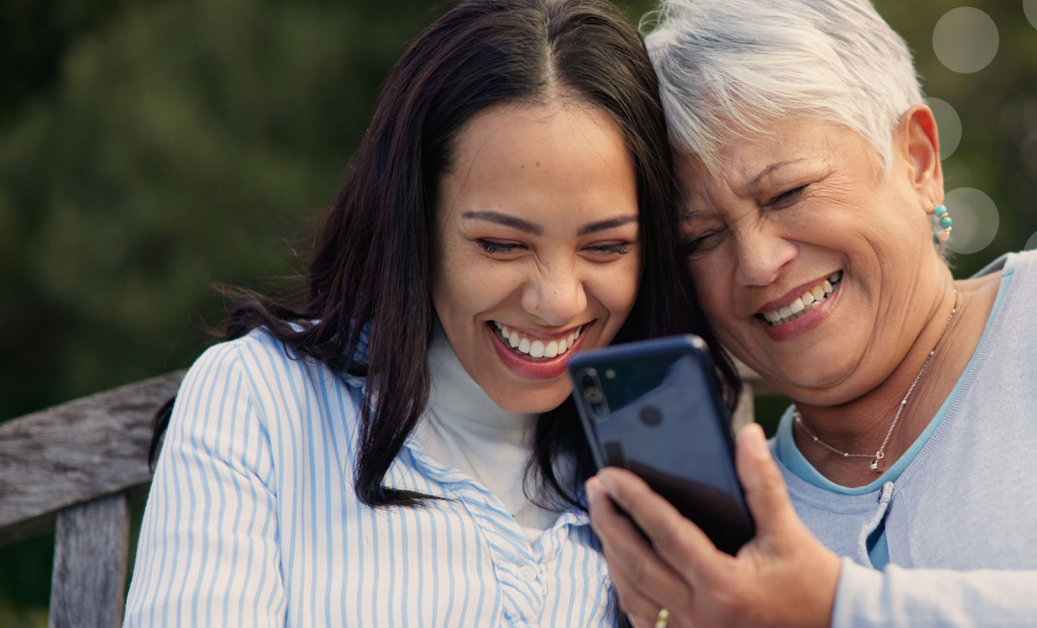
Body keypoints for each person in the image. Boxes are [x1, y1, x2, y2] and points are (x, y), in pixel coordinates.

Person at [585, 0, 1037, 625]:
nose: (757, 264)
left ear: (917, 160)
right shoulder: (722, 532)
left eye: (787, 192)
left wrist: (838, 608)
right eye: (701, 239)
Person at [123, 0, 737, 625]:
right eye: (501, 245)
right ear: (414, 225)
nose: (557, 301)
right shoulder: (259, 403)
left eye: (606, 247)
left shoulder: (663, 449)